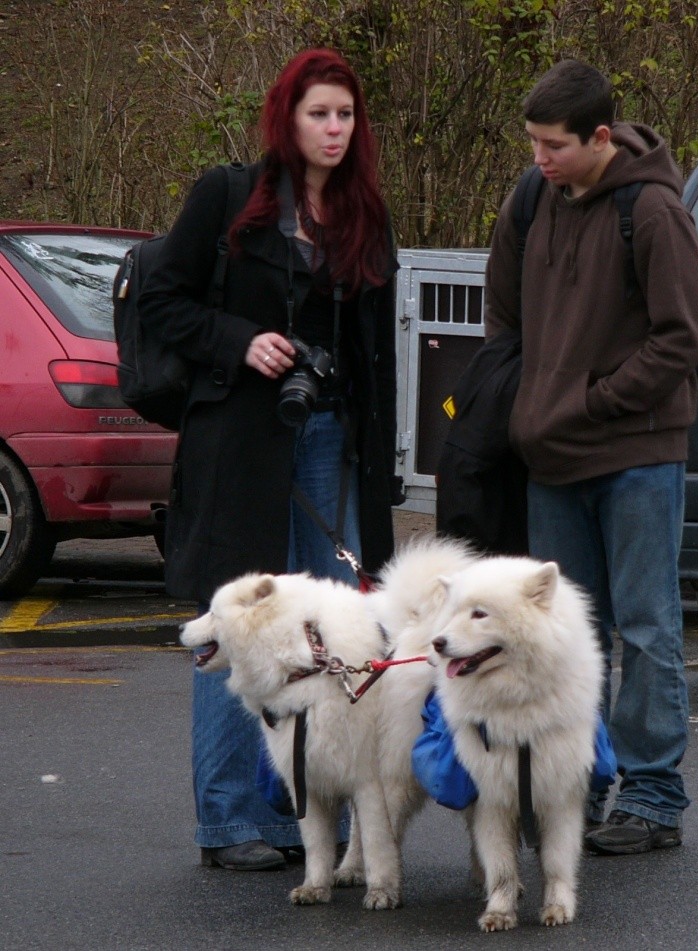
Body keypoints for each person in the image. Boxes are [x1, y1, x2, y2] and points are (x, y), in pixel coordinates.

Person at [138, 48, 402, 870]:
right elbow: (161, 298)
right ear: (287, 118)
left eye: (346, 115)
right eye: (319, 113)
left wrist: (382, 467)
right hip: (238, 444)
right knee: (239, 630)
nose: (334, 128)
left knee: (326, 636)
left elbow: (374, 356)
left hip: (330, 439)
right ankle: (228, 819)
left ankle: (308, 816)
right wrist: (240, 339)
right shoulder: (227, 196)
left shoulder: (365, 213)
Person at [483, 59, 698, 855]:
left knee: (647, 628)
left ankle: (653, 793)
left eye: (554, 145)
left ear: (601, 137)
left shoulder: (652, 210)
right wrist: (531, 407)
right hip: (551, 456)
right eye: (534, 143)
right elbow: (504, 322)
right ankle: (577, 784)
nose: (541, 158)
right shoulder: (529, 201)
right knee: (571, 636)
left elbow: (685, 336)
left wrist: (594, 400)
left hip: (639, 452)